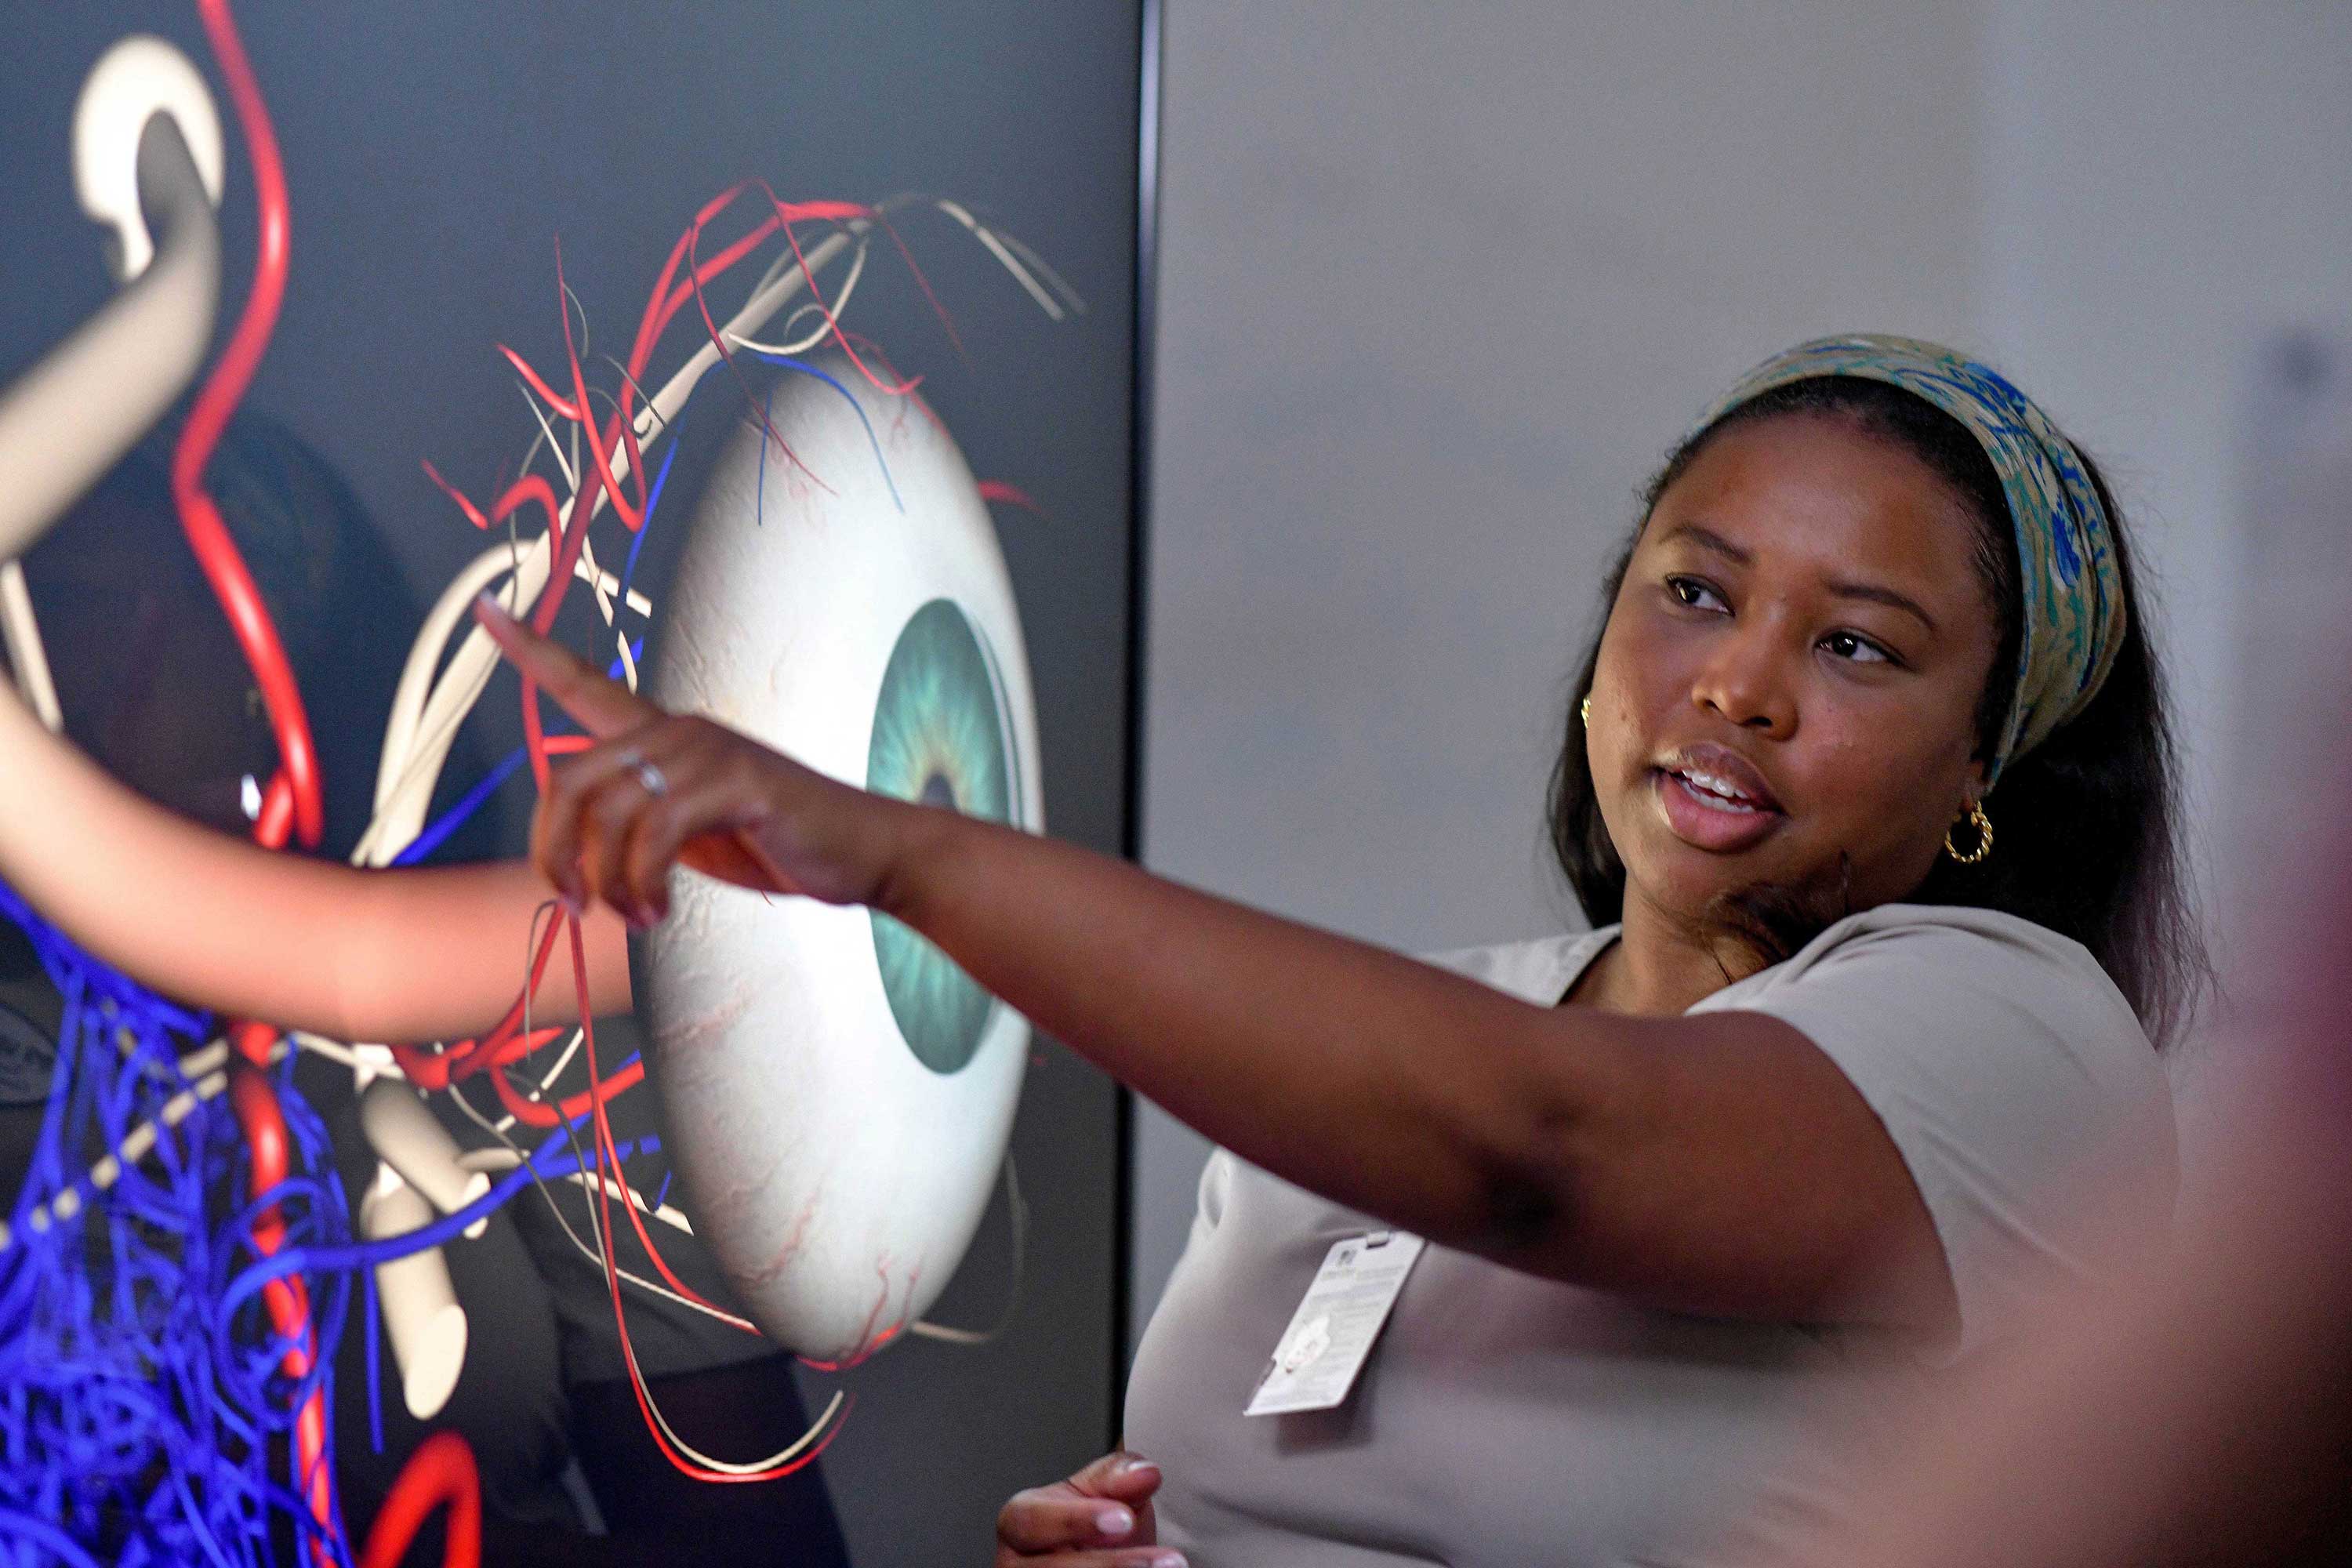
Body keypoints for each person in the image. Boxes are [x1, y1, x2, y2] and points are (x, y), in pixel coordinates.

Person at [457, 333, 2201, 1566]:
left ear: (1988, 769)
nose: (1740, 684)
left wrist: (910, 853)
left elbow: (1539, 1144)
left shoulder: (2016, 1036)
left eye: (1860, 649)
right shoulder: (1418, 1042)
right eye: (1694, 589)